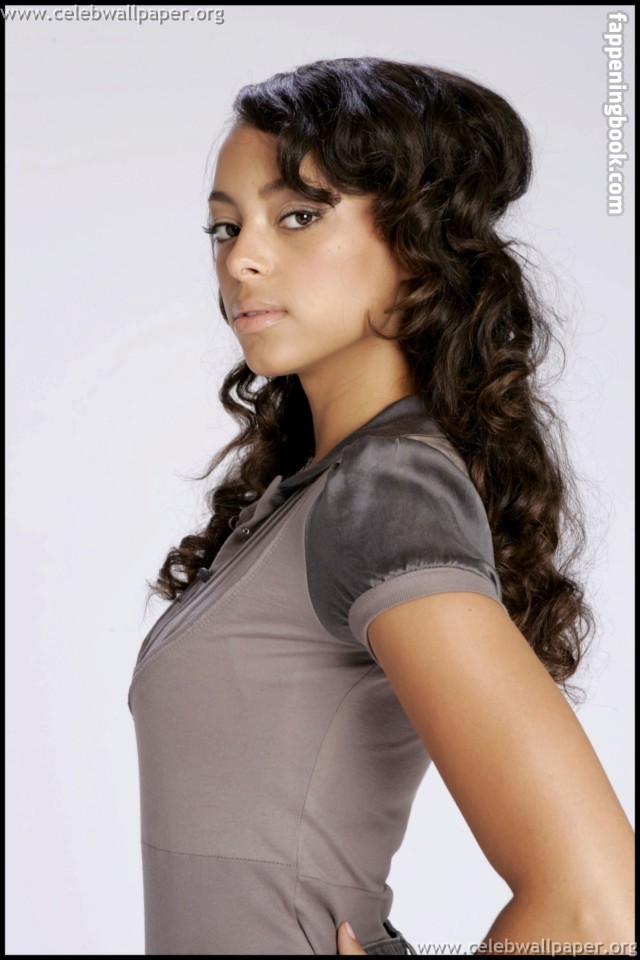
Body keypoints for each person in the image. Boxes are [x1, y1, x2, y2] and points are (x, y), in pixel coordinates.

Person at [128, 57, 634, 956]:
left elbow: (595, 906)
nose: (241, 258)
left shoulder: (385, 490)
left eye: (297, 215)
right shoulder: (312, 490)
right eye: (224, 227)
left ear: (418, 241)